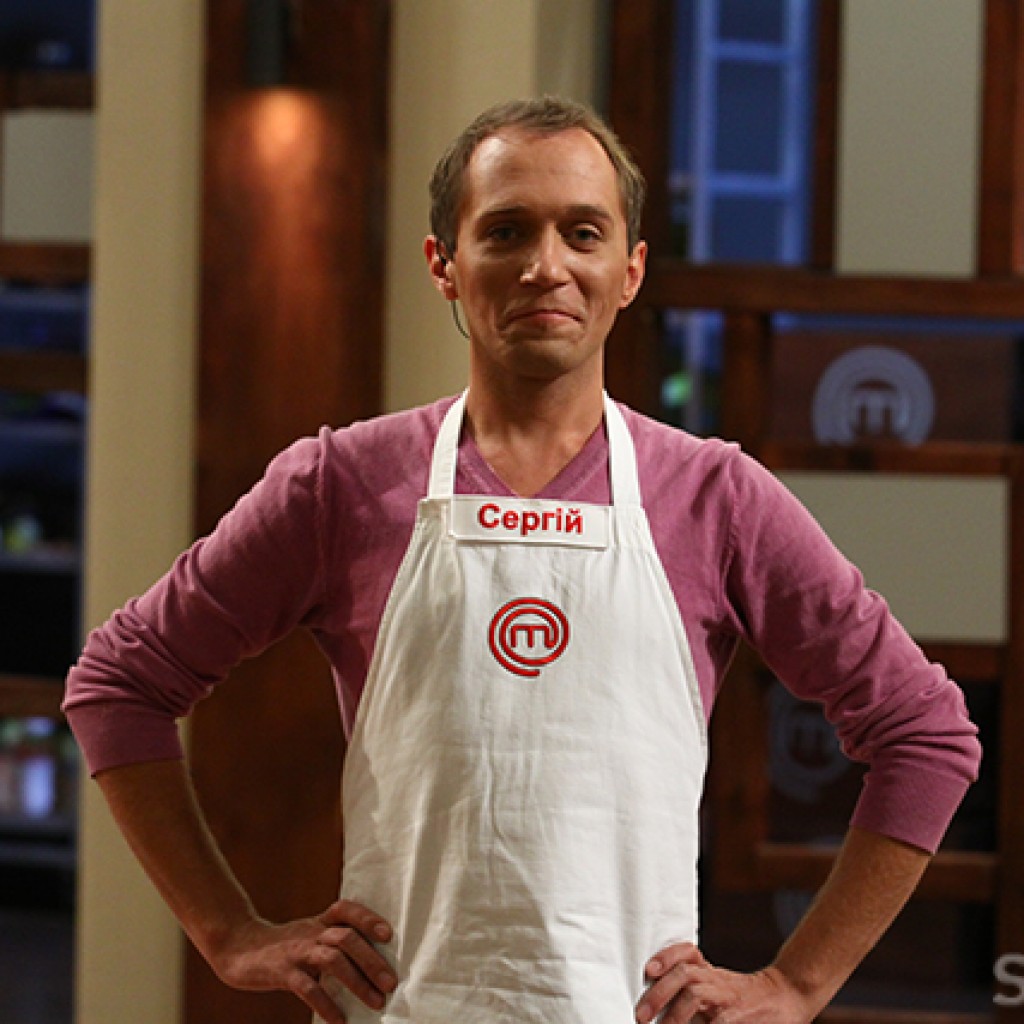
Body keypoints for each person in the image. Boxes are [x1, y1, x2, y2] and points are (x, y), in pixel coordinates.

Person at [64, 96, 981, 1024]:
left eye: (583, 233)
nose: (547, 267)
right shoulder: (339, 484)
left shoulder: (716, 498)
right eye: (506, 232)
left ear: (630, 271)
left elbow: (926, 735)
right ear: (445, 265)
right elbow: (117, 686)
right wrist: (228, 933)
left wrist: (799, 983)